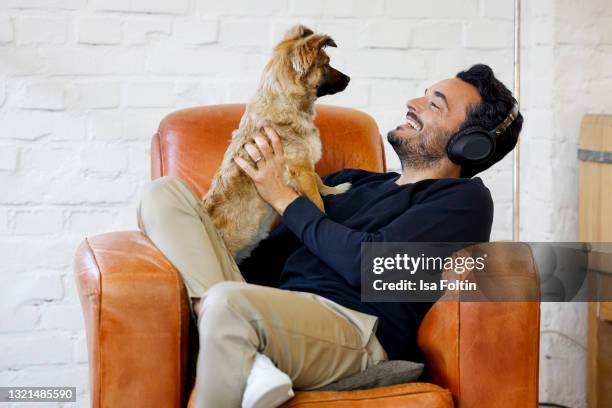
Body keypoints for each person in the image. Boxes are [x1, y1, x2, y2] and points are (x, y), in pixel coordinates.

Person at [136, 64, 523, 408]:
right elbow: (265, 263)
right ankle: (249, 358)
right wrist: (224, 225)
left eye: (434, 104)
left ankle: (235, 339)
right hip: (273, 312)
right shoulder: (346, 183)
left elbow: (370, 267)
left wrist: (284, 198)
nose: (413, 103)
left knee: (228, 304)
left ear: (469, 143)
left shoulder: (462, 200)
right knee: (163, 194)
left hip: (354, 330)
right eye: (423, 95)